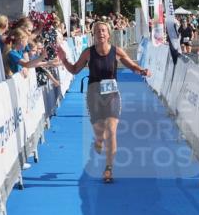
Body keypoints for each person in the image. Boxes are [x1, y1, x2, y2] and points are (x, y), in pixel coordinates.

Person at [55, 20, 149, 184]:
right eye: (97, 31)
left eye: (104, 30)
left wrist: (142, 71)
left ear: (109, 34)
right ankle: (98, 140)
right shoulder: (88, 53)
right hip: (94, 94)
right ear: (94, 35)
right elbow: (75, 70)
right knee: (100, 133)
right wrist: (64, 60)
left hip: (112, 94)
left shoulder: (116, 51)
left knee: (111, 130)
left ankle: (108, 168)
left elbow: (132, 65)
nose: (101, 33)